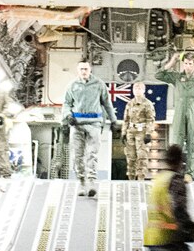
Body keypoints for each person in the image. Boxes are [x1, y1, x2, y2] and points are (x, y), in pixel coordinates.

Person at [155, 49, 194, 179]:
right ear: (183, 63)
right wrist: (173, 61)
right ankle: (174, 171)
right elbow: (159, 75)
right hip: (180, 107)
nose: (188, 66)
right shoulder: (177, 77)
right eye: (186, 63)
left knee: (193, 142)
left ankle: (189, 173)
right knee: (176, 141)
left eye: (190, 63)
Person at [61, 59, 110, 196]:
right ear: (78, 70)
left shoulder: (99, 84)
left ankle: (92, 182)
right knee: (78, 155)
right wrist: (66, 118)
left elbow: (107, 103)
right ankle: (82, 182)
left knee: (92, 154)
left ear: (90, 70)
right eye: (81, 69)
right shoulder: (72, 85)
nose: (84, 71)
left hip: (94, 123)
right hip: (76, 123)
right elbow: (66, 103)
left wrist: (113, 121)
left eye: (86, 69)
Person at [121, 82, 157, 180]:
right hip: (131, 131)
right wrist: (123, 132)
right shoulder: (129, 103)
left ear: (144, 90)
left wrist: (149, 133)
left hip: (142, 132)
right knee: (131, 157)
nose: (137, 90)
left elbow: (150, 119)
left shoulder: (147, 104)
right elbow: (126, 119)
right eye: (135, 88)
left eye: (139, 88)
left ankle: (141, 178)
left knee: (141, 156)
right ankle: (131, 178)